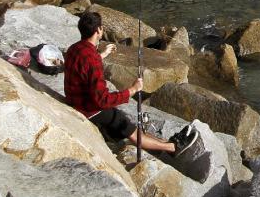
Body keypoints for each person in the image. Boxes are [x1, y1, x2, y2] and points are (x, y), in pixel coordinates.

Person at [65, 11, 199, 156]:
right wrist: (132, 90)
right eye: (102, 27)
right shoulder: (92, 60)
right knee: (127, 127)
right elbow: (102, 100)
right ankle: (173, 148)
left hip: (76, 102)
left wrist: (102, 55)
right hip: (90, 109)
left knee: (128, 124)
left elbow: (84, 64)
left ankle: (165, 143)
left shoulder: (74, 48)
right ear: (98, 30)